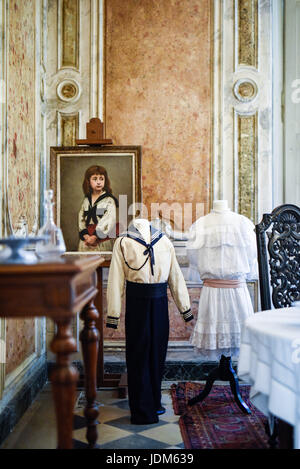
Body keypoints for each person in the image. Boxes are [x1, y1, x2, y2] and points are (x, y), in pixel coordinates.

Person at [106, 218, 193, 425]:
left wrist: (185, 309)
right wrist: (113, 314)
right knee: (139, 354)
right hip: (137, 301)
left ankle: (154, 402)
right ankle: (142, 410)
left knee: (156, 353)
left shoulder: (164, 241)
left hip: (159, 301)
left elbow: (175, 277)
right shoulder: (123, 242)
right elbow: (116, 280)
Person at [187, 200, 258, 360]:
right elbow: (252, 257)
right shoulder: (202, 225)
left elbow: (193, 258)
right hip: (218, 291)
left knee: (236, 337)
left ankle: (226, 370)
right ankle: (225, 370)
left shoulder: (241, 224)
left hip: (229, 290)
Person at [78, 165, 118, 252]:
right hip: (86, 241)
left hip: (101, 240)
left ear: (105, 181)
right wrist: (85, 235)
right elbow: (81, 218)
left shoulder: (109, 200)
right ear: (88, 181)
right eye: (95, 179)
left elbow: (109, 219)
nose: (99, 182)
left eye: (101, 179)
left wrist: (95, 236)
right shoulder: (86, 200)